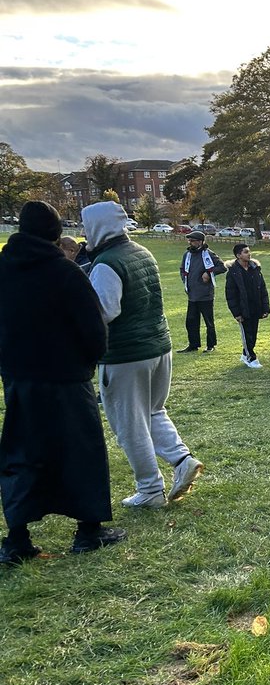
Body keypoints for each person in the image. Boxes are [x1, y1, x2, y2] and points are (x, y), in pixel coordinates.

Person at [0, 201, 126, 562]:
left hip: (20, 376)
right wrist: (88, 362)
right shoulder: (66, 273)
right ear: (57, 234)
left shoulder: (3, 269)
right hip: (67, 376)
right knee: (80, 450)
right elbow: (92, 328)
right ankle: (88, 530)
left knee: (22, 452)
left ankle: (17, 538)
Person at [81, 201, 203, 510]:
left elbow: (105, 310)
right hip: (158, 348)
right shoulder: (141, 252)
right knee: (151, 412)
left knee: (128, 425)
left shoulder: (107, 262)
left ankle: (149, 489)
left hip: (125, 355)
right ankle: (182, 459)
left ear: (97, 227)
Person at [178, 231, 226, 353]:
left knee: (208, 322)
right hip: (192, 295)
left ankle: (211, 345)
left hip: (205, 295)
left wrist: (209, 274)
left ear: (200, 242)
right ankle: (193, 345)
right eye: (189, 241)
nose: (190, 243)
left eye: (192, 241)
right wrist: (185, 282)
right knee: (191, 321)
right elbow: (182, 269)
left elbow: (222, 267)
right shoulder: (187, 255)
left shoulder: (208, 254)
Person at [225, 242, 270, 368]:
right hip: (243, 309)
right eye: (245, 252)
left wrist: (265, 308)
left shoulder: (255, 269)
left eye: (249, 251)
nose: (249, 254)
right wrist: (237, 313)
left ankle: (245, 354)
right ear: (238, 255)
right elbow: (231, 295)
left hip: (256, 307)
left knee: (253, 334)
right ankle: (251, 358)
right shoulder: (233, 273)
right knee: (247, 334)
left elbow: (263, 289)